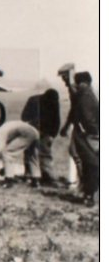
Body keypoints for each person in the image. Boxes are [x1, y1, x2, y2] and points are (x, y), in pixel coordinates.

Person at [61, 70, 99, 206]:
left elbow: (88, 118)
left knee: (90, 163)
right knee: (84, 160)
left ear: (84, 83)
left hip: (88, 135)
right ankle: (88, 192)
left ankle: (90, 194)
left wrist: (92, 134)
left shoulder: (85, 96)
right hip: (88, 133)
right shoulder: (86, 94)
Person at [21, 88, 61, 186]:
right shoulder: (52, 102)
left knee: (31, 154)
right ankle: (46, 177)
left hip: (36, 131)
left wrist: (52, 135)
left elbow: (24, 117)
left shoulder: (34, 100)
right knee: (42, 154)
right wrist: (52, 135)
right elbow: (57, 120)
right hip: (39, 131)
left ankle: (31, 175)